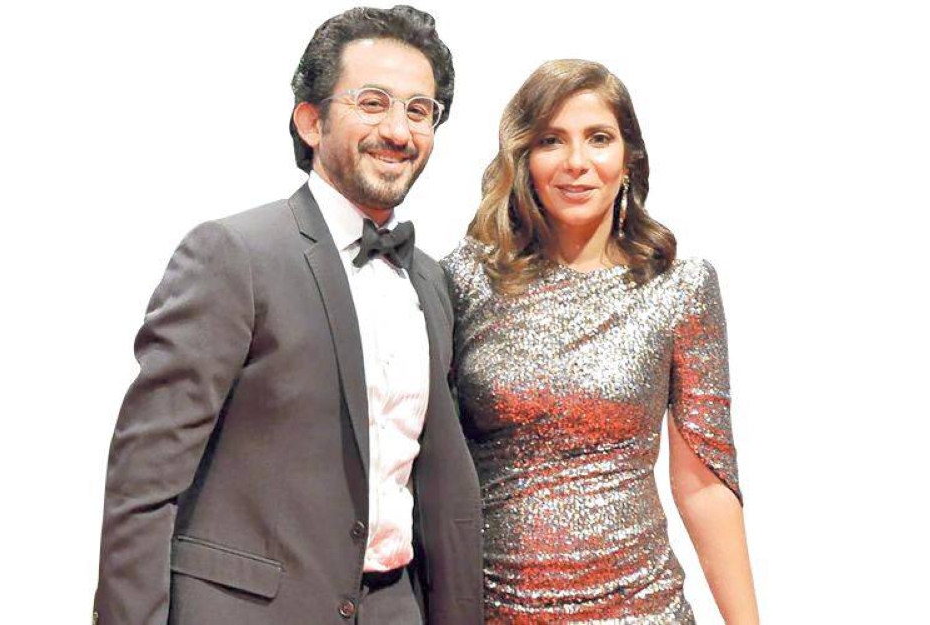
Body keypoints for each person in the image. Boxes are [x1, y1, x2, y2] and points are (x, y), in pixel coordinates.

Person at [93, 6, 483, 624]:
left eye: (419, 111)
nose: (399, 131)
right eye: (373, 103)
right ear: (310, 120)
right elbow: (144, 483)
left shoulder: (431, 281)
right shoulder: (233, 255)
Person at [441, 59, 758, 623]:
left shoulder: (679, 288)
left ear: (628, 158)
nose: (576, 162)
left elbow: (704, 485)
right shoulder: (465, 280)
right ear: (524, 158)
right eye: (551, 140)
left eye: (599, 138)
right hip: (494, 610)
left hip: (642, 609)